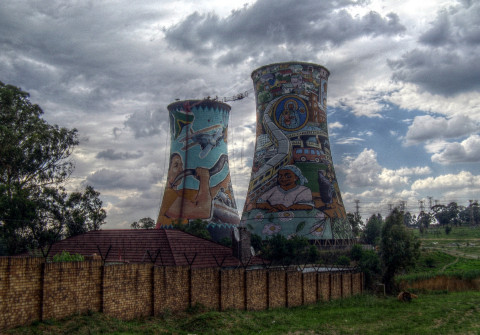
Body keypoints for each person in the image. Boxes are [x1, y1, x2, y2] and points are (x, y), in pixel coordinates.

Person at [156, 153, 231, 226]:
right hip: (176, 236)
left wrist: (222, 184)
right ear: (169, 171)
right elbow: (203, 212)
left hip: (184, 236)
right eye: (176, 166)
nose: (180, 170)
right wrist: (204, 178)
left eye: (181, 165)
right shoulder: (170, 194)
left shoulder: (180, 193)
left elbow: (207, 196)